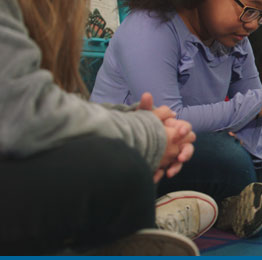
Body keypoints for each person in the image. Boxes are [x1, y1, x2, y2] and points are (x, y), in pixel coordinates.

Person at [90, 0, 262, 238]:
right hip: (141, 155)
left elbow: (259, 106)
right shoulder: (148, 28)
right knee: (229, 156)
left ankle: (260, 203)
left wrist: (256, 136)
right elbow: (168, 123)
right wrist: (259, 105)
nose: (252, 24)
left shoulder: (236, 39)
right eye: (249, 9)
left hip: (200, 146)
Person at [0, 0, 216, 255]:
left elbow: (38, 101)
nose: (252, 22)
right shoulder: (147, 27)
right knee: (122, 170)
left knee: (218, 158)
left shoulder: (236, 45)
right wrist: (150, 132)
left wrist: (137, 121)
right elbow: (22, 111)